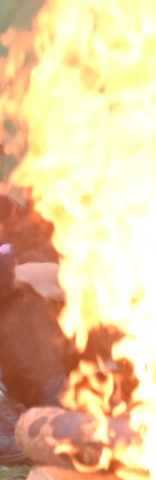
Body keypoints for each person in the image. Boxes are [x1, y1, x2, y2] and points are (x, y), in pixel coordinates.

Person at [0, 195, 71, 464]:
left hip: (20, 361)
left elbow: (37, 244)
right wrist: (14, 274)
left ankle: (52, 394)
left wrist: (34, 263)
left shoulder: (5, 209)